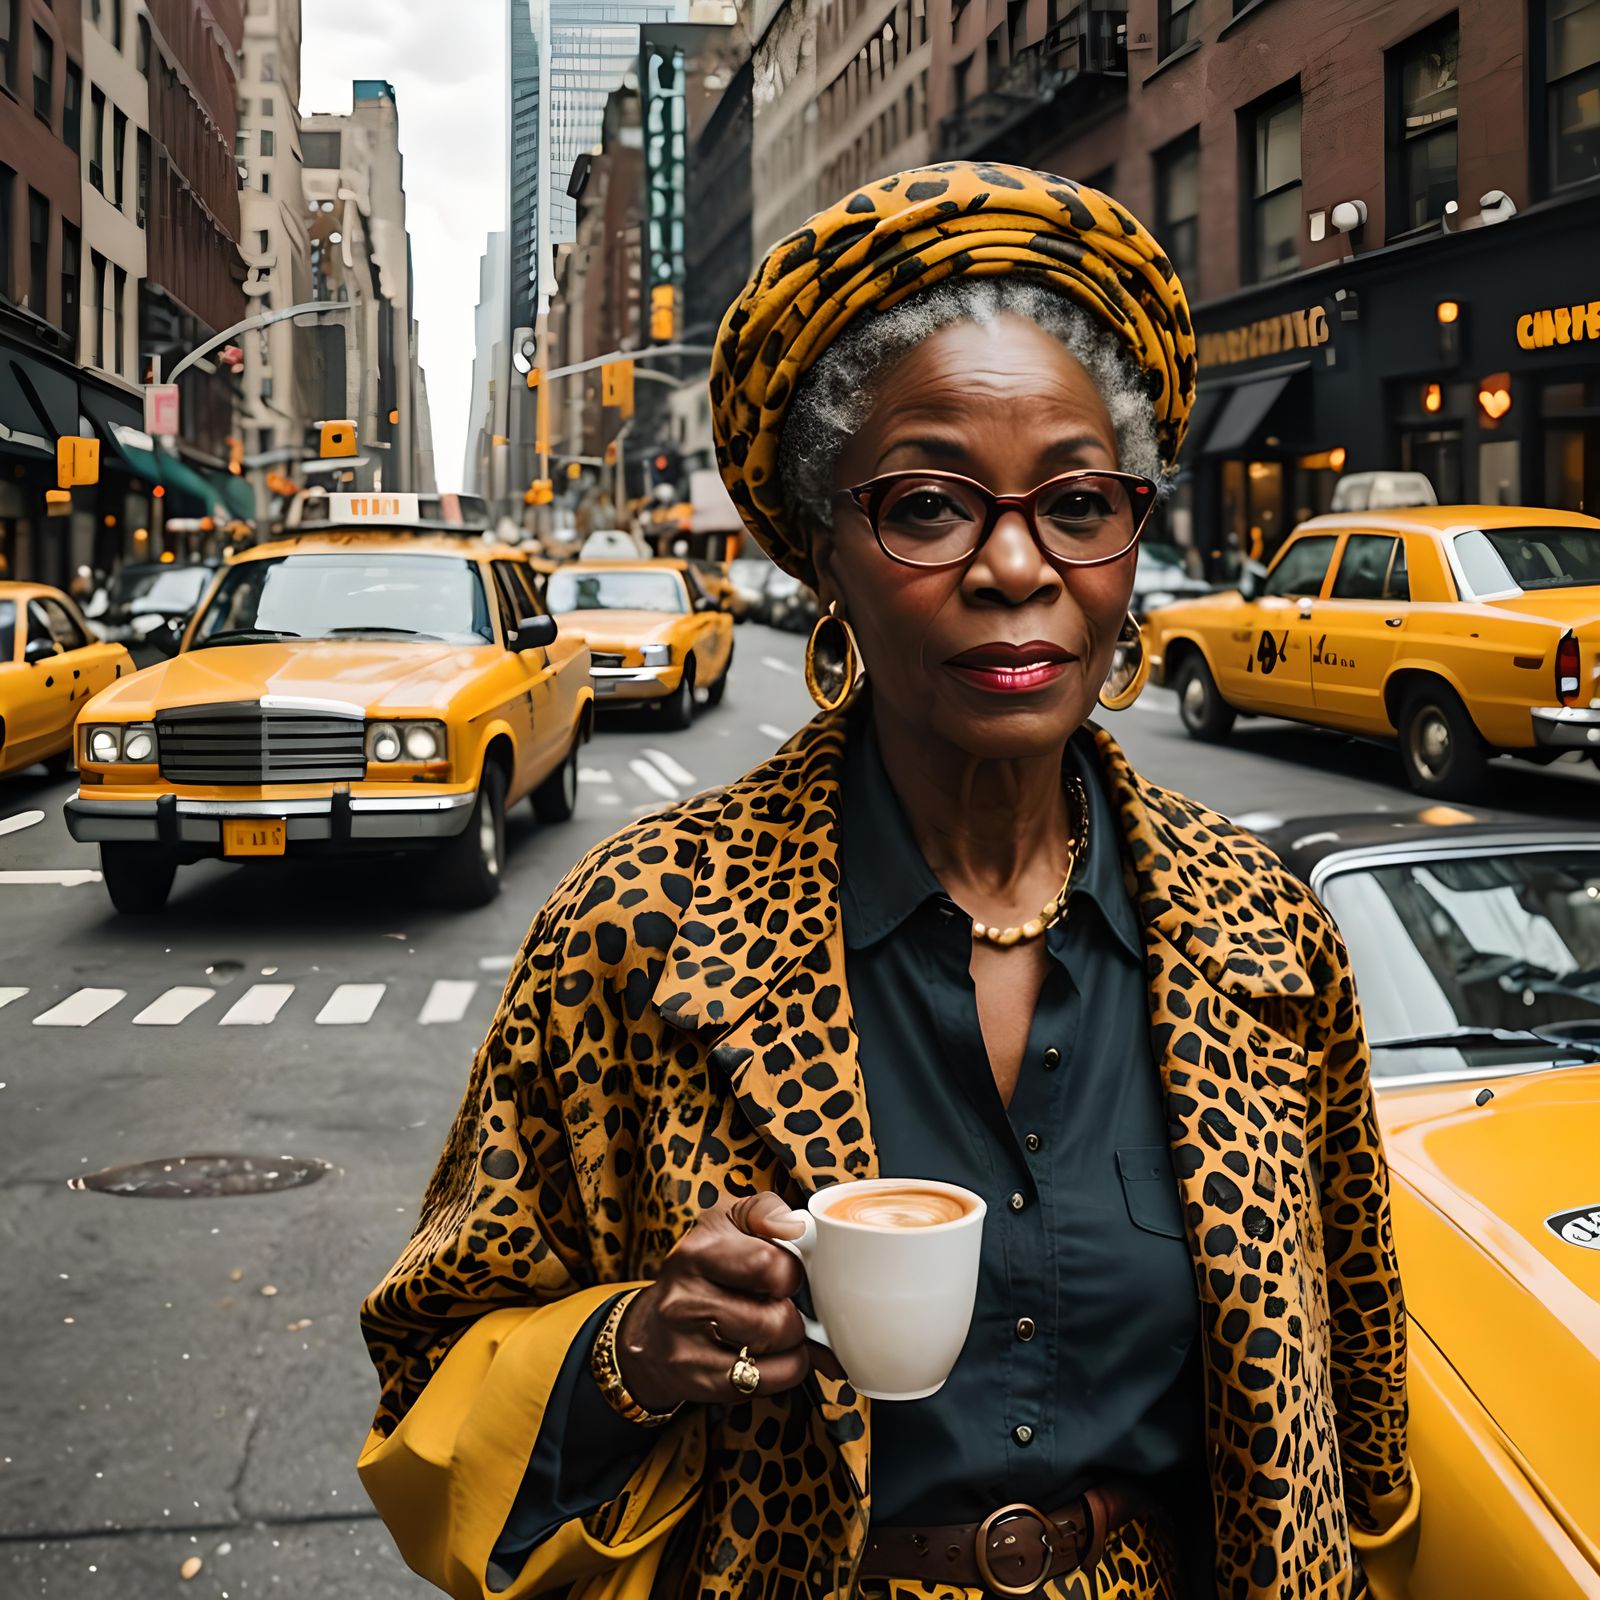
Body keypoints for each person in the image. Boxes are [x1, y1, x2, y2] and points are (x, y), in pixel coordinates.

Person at [357, 163, 1419, 1600]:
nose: (1013, 565)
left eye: (1078, 501)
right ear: (826, 556)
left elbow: (1361, 1395)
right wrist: (634, 1351)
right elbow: (432, 1379)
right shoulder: (635, 933)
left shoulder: (1274, 938)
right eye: (928, 507)